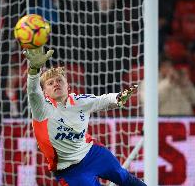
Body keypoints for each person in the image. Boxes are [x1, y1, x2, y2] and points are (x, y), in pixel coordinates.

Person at [24, 47, 146, 186]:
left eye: (59, 80)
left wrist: (117, 98)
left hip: (92, 153)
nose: (56, 84)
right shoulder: (41, 108)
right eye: (50, 83)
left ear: (68, 86)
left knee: (124, 177)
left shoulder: (79, 101)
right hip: (70, 171)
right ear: (45, 92)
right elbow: (33, 91)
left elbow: (101, 100)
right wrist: (33, 70)